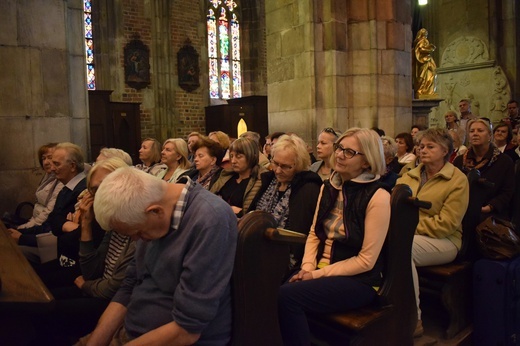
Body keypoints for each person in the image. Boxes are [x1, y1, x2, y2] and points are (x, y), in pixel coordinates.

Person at [77, 167, 237, 345]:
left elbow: (187, 330)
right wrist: (96, 341)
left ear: (155, 211)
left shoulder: (210, 219)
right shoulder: (151, 212)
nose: (136, 239)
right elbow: (128, 286)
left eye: (138, 233)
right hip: (133, 332)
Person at [277, 128, 391, 345]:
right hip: (321, 269)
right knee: (270, 283)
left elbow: (367, 261)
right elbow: (314, 232)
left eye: (349, 152)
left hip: (359, 281)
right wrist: (308, 267)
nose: (339, 154)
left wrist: (316, 275)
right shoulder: (329, 186)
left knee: (288, 297)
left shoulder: (378, 196)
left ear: (367, 162)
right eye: (339, 148)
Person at [32, 157, 135, 345]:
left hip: (115, 301)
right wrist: (86, 224)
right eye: (94, 190)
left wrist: (85, 286)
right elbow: (91, 271)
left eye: (104, 187)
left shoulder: (134, 223)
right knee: (39, 297)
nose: (98, 195)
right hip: (97, 287)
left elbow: (114, 288)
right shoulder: (112, 221)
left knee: (48, 311)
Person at [397, 128, 469, 337]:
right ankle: (389, 308)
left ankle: (413, 318)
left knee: (403, 250)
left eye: (430, 146)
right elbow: (395, 205)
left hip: (446, 241)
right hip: (409, 234)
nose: (423, 150)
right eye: (421, 146)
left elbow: (447, 223)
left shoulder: (457, 179)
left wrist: (407, 226)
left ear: (445, 150)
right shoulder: (409, 173)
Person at [8, 142, 88, 264]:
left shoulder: (81, 190)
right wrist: (21, 232)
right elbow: (52, 221)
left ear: (72, 166)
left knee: (14, 256)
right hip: (54, 246)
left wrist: (22, 238)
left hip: (66, 257)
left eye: (56, 164)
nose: (52, 167)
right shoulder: (66, 187)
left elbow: (65, 236)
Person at [250, 134, 322, 267]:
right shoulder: (269, 181)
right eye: (275, 163)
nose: (277, 170)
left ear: (299, 165)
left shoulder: (308, 188)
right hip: (260, 245)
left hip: (288, 256)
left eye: (285, 166)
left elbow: (302, 234)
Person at [454, 119, 515, 220]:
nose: (475, 134)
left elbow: (508, 191)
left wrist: (490, 207)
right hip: (463, 214)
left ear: (489, 136)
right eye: (472, 131)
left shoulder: (503, 161)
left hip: (492, 216)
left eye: (480, 131)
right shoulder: (460, 161)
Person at [210, 137, 267, 217]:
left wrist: (240, 212)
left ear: (251, 157)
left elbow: (257, 213)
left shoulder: (261, 180)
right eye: (231, 156)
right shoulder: (226, 175)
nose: (233, 161)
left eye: (239, 156)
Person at [15, 143, 64, 230]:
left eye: (50, 157)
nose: (45, 162)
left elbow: (49, 211)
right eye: (43, 158)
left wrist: (25, 228)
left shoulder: (62, 179)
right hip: (36, 222)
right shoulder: (48, 175)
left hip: (45, 227)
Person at [413, 28, 437, 98]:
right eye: (425, 32)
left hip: (427, 59)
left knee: (431, 74)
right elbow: (420, 49)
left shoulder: (424, 40)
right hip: (424, 60)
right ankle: (422, 90)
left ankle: (428, 91)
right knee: (425, 76)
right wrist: (429, 49)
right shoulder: (422, 40)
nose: (426, 33)